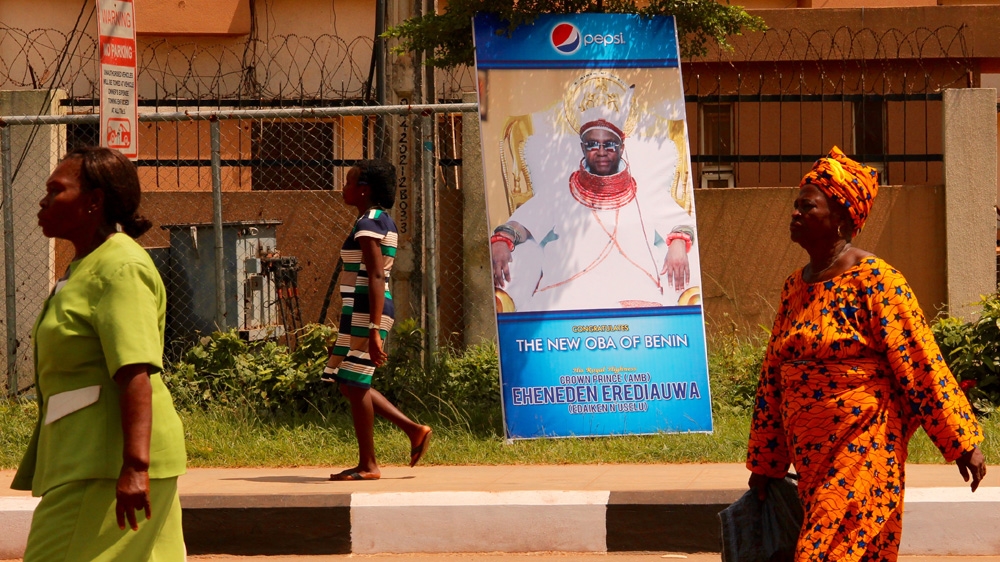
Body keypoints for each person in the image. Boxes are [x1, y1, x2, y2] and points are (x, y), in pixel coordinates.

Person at [746, 146, 987, 562]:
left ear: (841, 217)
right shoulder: (794, 287)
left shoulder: (877, 281)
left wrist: (962, 441)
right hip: (811, 460)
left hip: (864, 449)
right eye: (796, 205)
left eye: (808, 206)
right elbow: (773, 378)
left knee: (822, 553)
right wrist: (766, 461)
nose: (795, 213)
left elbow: (920, 362)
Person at [13, 146, 187, 560]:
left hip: (107, 467)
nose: (44, 200)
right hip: (84, 459)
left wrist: (135, 467)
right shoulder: (85, 267)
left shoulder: (120, 267)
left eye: (57, 190)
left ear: (94, 202)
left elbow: (134, 371)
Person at [490, 109, 697, 311]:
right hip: (570, 290)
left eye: (609, 144)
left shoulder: (645, 191)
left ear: (622, 147)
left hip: (634, 289)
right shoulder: (561, 191)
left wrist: (678, 241)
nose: (601, 151)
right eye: (592, 145)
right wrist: (503, 239)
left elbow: (682, 223)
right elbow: (523, 225)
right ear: (582, 148)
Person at [322, 159, 432, 481]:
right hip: (360, 311)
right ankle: (414, 430)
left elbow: (374, 275)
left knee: (354, 385)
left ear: (363, 190)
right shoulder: (379, 220)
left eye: (349, 182)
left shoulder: (369, 222)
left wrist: (372, 329)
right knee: (350, 383)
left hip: (367, 311)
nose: (344, 188)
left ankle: (369, 465)